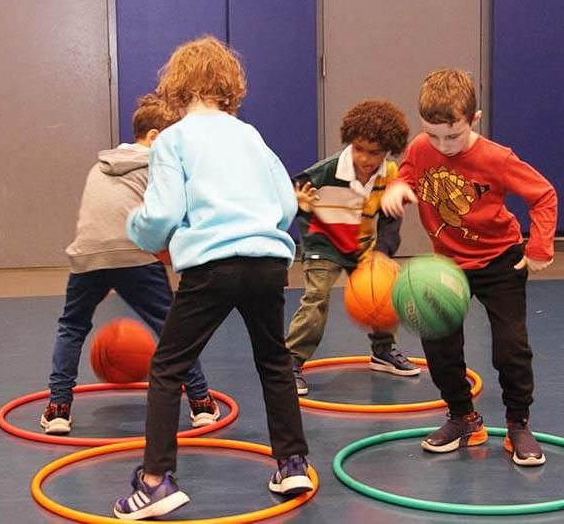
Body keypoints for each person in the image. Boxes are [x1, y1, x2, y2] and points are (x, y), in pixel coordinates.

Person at [114, 35, 312, 520]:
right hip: (268, 262)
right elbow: (287, 204)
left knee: (168, 367)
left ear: (176, 89)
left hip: (211, 266)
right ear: (230, 88)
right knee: (273, 360)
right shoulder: (250, 135)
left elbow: (161, 214)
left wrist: (136, 228)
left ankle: (156, 481)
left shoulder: (174, 139)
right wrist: (257, 230)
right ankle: (291, 461)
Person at [381, 68, 558, 466]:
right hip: (446, 265)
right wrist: (397, 187)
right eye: (433, 134)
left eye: (453, 135)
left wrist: (541, 245)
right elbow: (408, 172)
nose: (442, 145)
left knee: (511, 347)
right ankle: (463, 418)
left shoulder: (496, 158)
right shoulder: (420, 147)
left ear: (474, 119)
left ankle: (518, 424)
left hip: (501, 261)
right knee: (439, 347)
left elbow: (543, 195)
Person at [40, 94, 219, 437]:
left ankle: (58, 408)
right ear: (154, 137)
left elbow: (96, 217)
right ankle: (200, 402)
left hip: (89, 254)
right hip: (136, 252)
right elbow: (166, 217)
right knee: (173, 327)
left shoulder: (100, 165)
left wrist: (102, 271)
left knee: (71, 327)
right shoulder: (158, 164)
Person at [287, 99, 420, 396]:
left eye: (374, 153)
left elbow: (390, 219)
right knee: (317, 298)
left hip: (361, 245)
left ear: (387, 150)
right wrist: (299, 204)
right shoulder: (328, 170)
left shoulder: (390, 174)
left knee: (385, 289)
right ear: (350, 143)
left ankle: (382, 351)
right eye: (359, 149)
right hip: (324, 243)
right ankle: (292, 361)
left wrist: (382, 253)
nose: (365, 159)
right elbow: (291, 193)